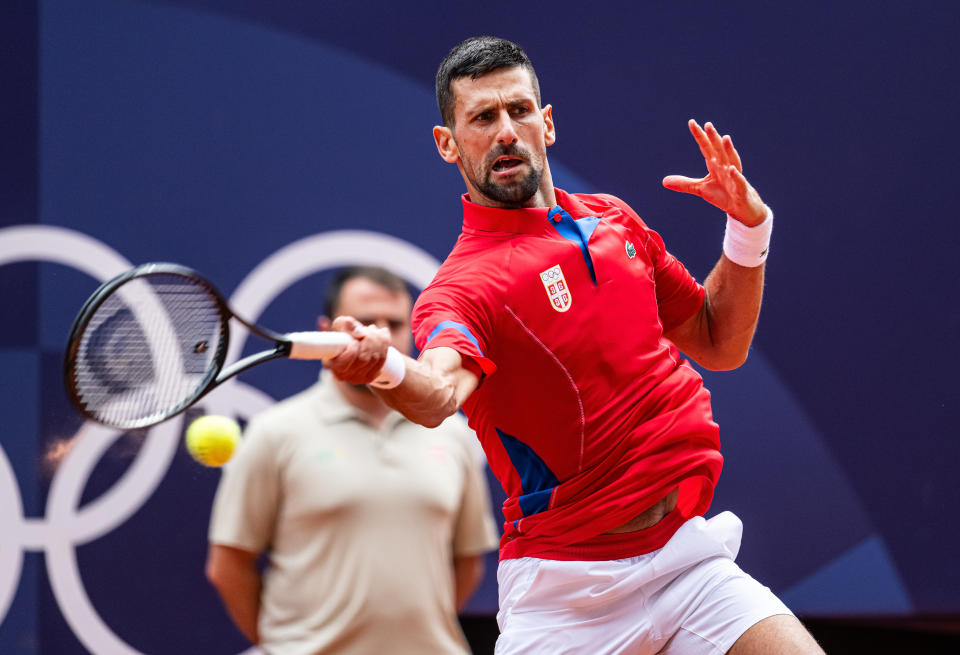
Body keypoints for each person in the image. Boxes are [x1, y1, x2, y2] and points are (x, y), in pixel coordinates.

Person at [324, 36, 826, 655]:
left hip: (684, 562)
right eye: (482, 117)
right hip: (566, 597)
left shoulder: (615, 221)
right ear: (448, 144)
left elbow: (718, 340)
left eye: (519, 110)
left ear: (547, 123)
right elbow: (438, 394)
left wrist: (749, 230)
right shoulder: (461, 290)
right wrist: (386, 368)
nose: (505, 131)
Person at [205, 266, 499, 655]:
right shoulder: (274, 432)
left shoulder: (454, 435)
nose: (379, 337)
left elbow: (467, 562)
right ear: (326, 330)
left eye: (393, 324)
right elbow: (229, 567)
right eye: (362, 322)